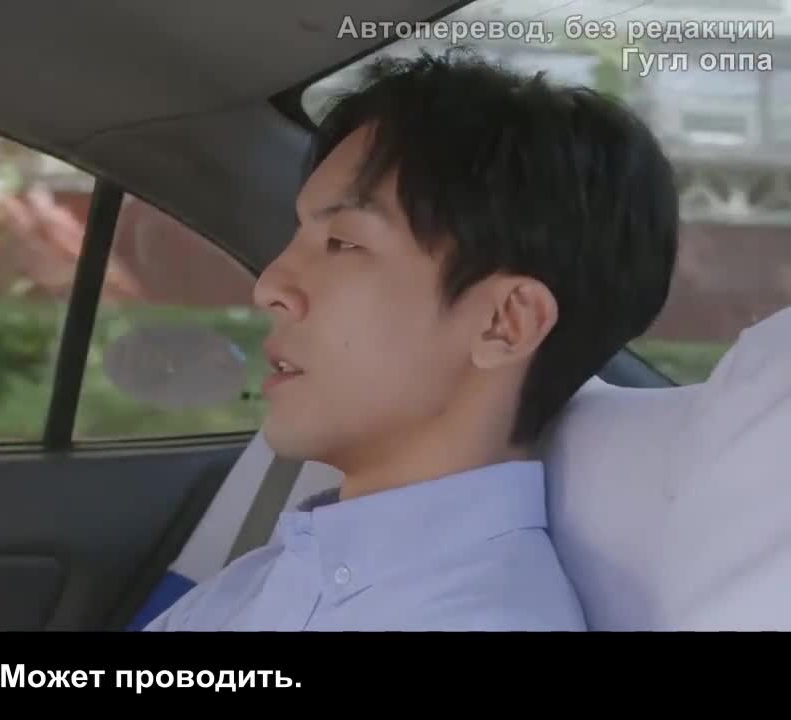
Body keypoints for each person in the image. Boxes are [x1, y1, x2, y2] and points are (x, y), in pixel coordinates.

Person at [142, 48, 679, 631]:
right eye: (298, 236)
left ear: (505, 323)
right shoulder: (253, 583)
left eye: (344, 243)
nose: (270, 286)